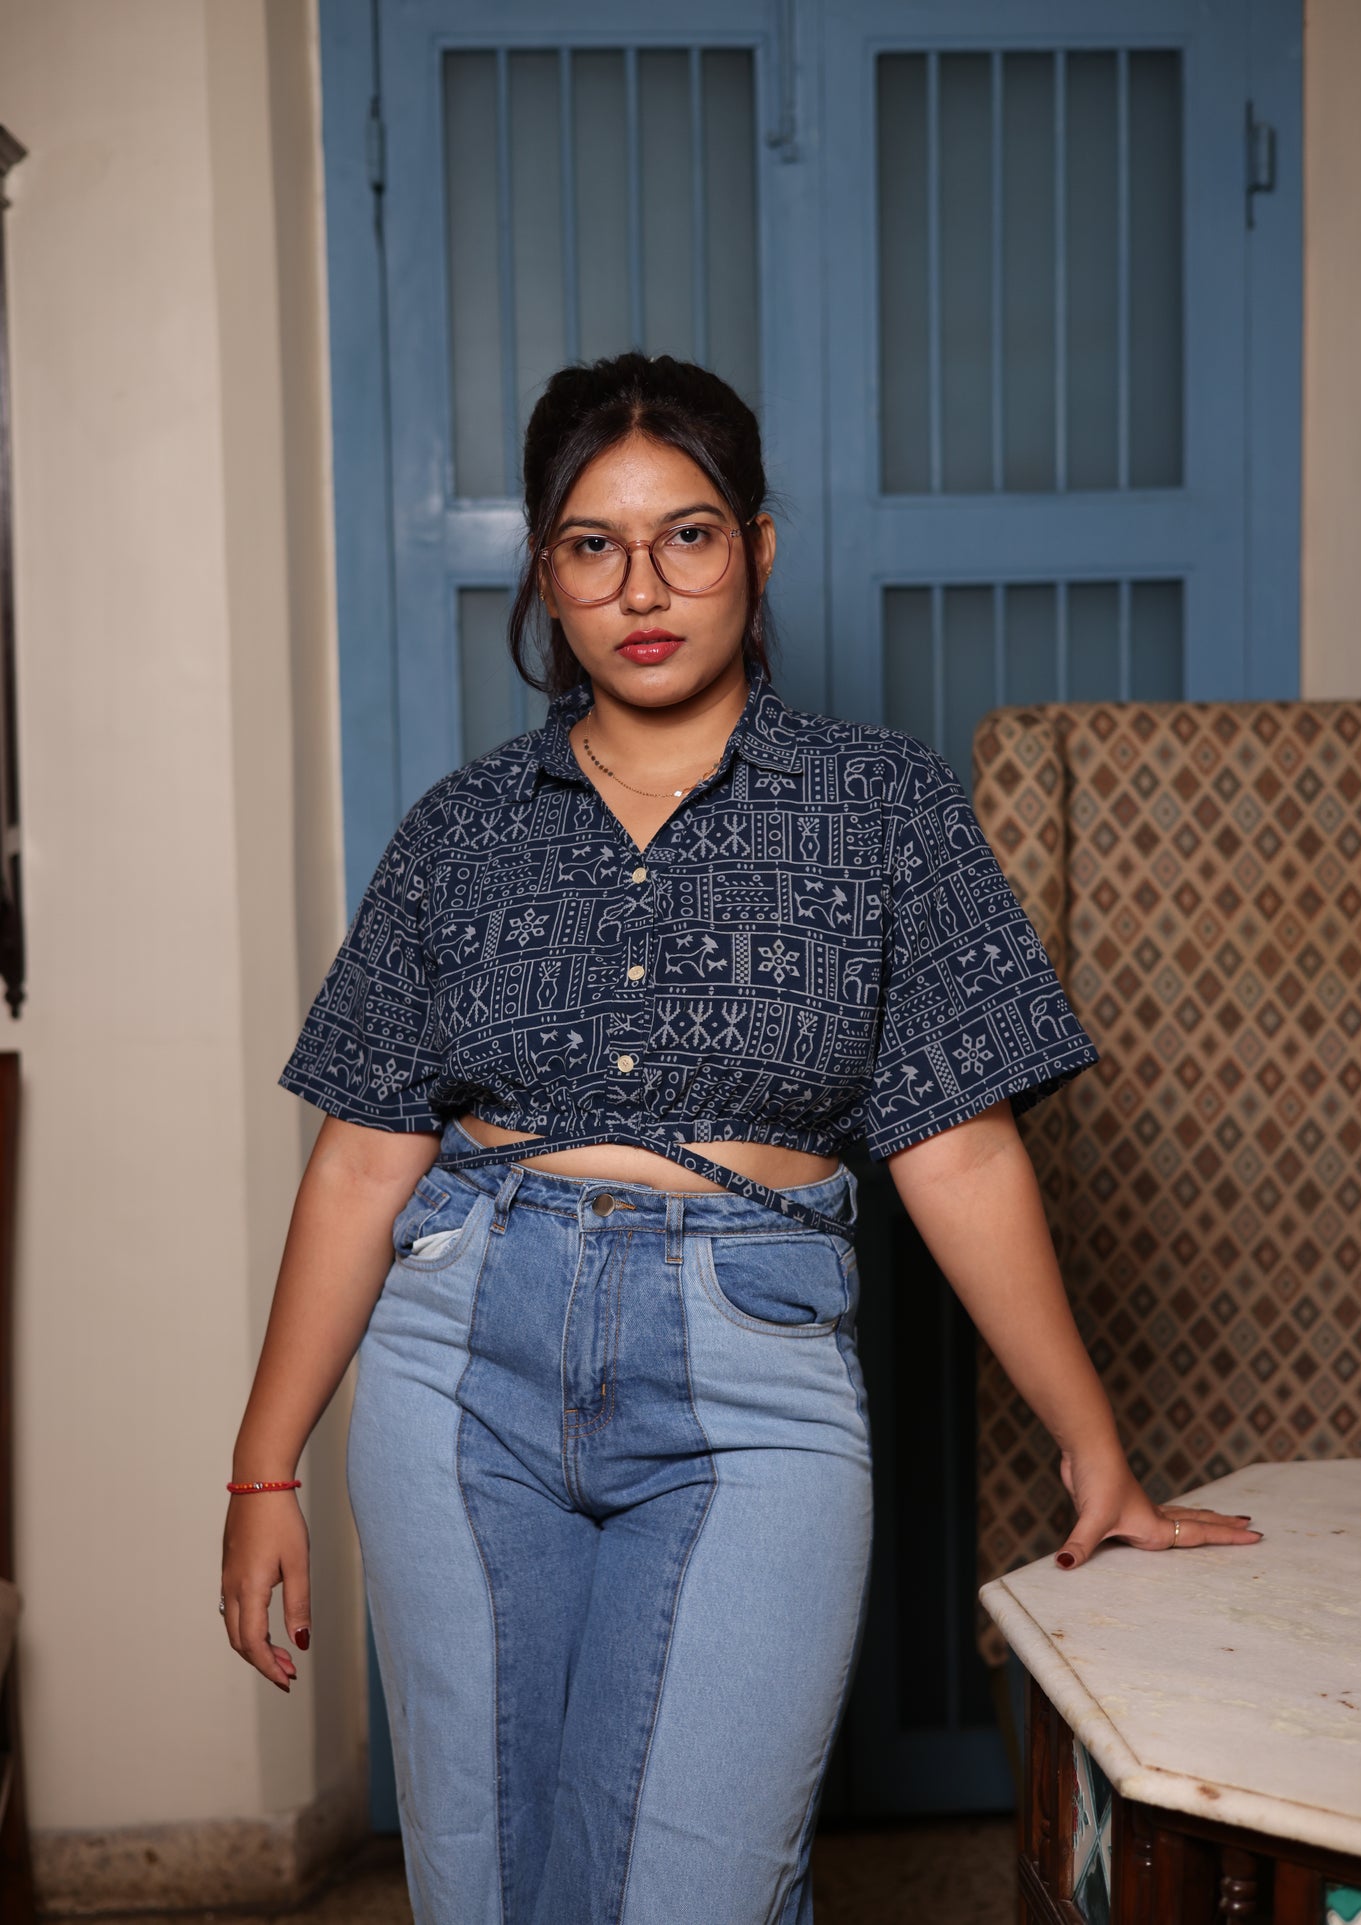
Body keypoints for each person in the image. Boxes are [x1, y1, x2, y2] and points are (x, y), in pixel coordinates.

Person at [219, 352, 1263, 1925]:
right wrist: (263, 1469)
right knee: (485, 1883)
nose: (641, 587)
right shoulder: (459, 828)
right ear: (546, 573)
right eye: (593, 544)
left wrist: (1090, 1446)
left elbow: (960, 1147)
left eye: (687, 535)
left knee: (697, 1889)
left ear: (757, 548)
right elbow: (362, 1158)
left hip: (749, 1383)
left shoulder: (885, 808)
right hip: (457, 1368)